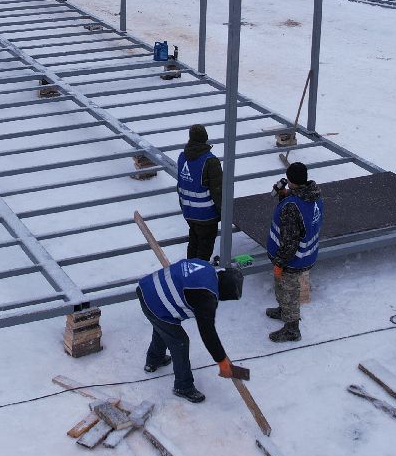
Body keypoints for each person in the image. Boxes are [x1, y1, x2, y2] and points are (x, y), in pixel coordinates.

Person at [138, 256, 243, 403]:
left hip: (148, 287)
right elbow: (208, 333)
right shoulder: (206, 297)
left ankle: (154, 359)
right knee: (180, 341)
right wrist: (221, 360)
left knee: (165, 327)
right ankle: (183, 386)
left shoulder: (207, 268)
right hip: (154, 301)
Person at [266, 161, 322, 343]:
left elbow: (290, 241)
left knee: (288, 291)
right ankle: (283, 311)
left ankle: (292, 329)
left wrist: (280, 262)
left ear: (290, 180)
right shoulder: (313, 196)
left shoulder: (292, 207)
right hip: (307, 254)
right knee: (284, 289)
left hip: (292, 260)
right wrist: (285, 197)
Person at [176, 124, 223, 261]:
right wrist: (224, 213)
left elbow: (180, 185)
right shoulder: (210, 161)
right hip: (206, 215)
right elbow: (218, 191)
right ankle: (198, 277)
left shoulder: (182, 157)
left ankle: (189, 273)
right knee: (204, 250)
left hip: (189, 213)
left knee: (194, 242)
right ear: (205, 138)